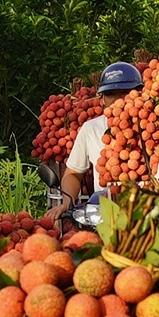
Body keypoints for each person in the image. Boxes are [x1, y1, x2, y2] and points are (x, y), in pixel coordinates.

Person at [55, 61, 144, 218]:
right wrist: (66, 203)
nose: (118, 99)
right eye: (111, 94)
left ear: (139, 94)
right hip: (105, 216)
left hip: (148, 212)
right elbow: (73, 173)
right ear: (102, 99)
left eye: (125, 92)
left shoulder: (150, 127)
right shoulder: (91, 129)